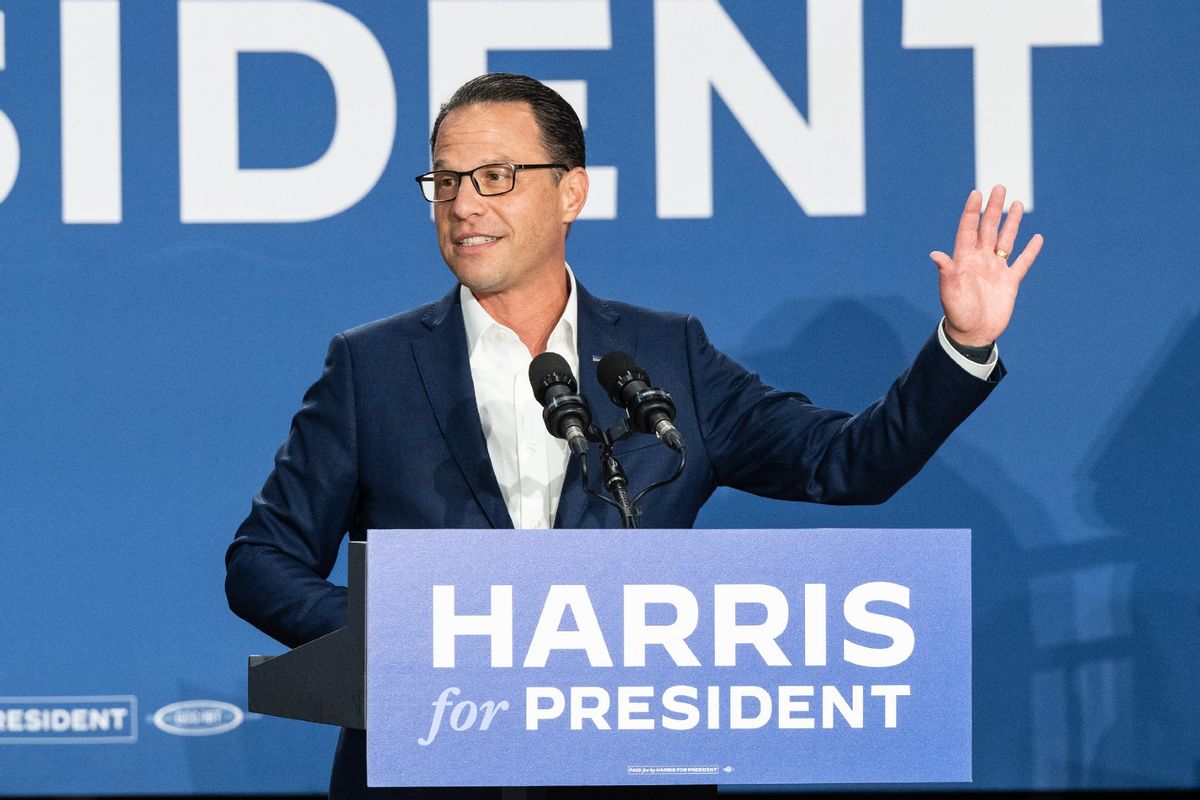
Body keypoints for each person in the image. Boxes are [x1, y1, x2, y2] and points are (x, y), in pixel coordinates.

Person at [226, 73, 1042, 799]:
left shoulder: (664, 358)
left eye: (495, 177)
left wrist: (962, 346)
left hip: (629, 772)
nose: (463, 204)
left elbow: (848, 464)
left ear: (571, 191)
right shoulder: (372, 367)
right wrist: (410, 640)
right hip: (430, 770)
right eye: (444, 181)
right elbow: (262, 561)